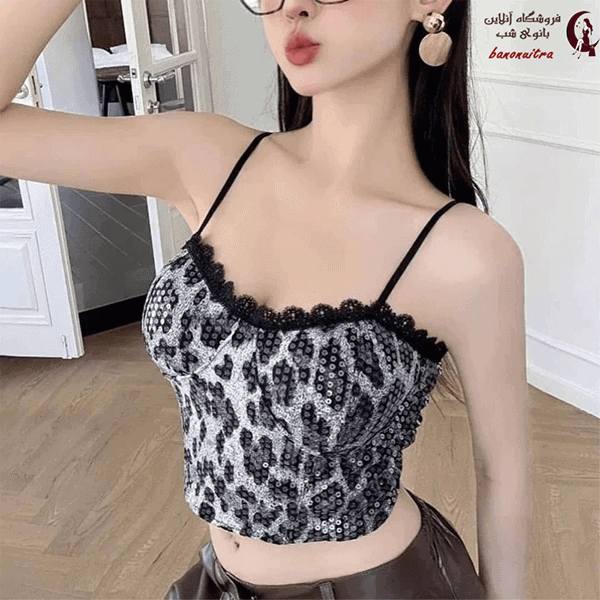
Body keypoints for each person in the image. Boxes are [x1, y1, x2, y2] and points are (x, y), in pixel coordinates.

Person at [0, 0, 532, 598]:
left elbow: (502, 473)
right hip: (218, 581)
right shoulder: (205, 157)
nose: (292, 7)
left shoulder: (468, 253)